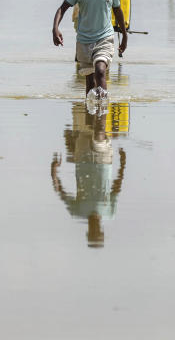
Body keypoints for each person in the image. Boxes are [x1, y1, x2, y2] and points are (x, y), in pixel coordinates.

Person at [53, 0, 127, 102]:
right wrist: (55, 28)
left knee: (100, 71)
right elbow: (63, 8)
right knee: (89, 80)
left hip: (104, 38)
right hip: (84, 40)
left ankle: (102, 108)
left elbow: (118, 11)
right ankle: (91, 114)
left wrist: (124, 36)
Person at [50, 105, 127, 248]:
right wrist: (123, 163)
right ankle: (101, 98)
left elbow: (60, 191)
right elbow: (117, 188)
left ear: (89, 231)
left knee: (88, 121)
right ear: (101, 230)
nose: (95, 228)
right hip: (103, 161)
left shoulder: (77, 211)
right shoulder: (109, 213)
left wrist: (53, 171)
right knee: (99, 131)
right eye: (97, 231)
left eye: (94, 231)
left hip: (82, 155)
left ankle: (96, 95)